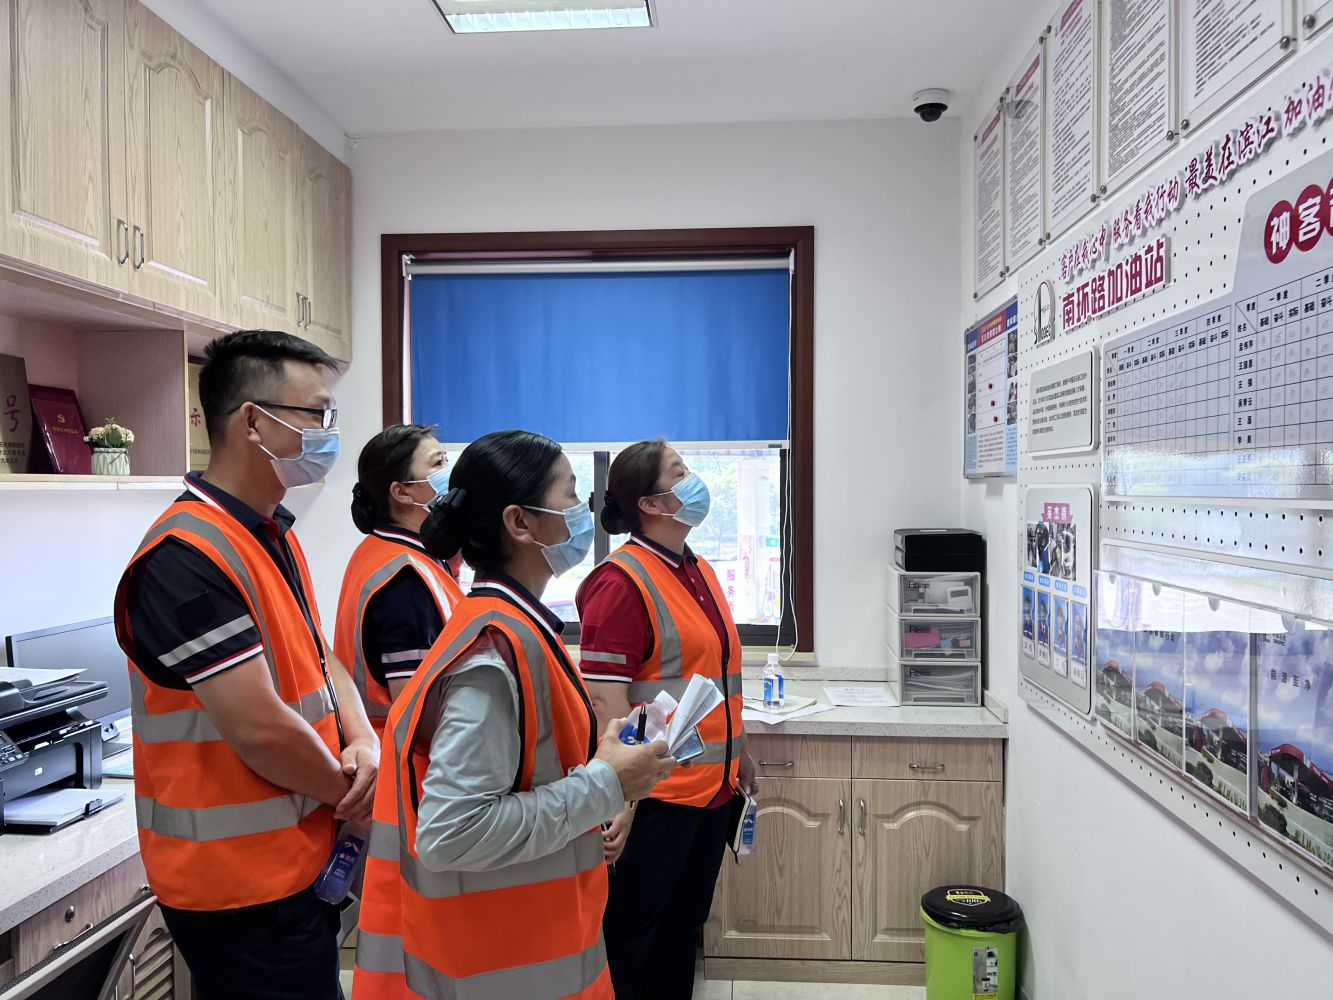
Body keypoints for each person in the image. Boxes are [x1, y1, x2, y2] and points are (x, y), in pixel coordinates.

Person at [354, 430, 676, 1000]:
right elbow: (451, 833)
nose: (581, 512)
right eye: (569, 495)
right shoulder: (492, 656)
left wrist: (603, 776)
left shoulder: (517, 627)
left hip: (530, 947)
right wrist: (606, 784)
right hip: (500, 963)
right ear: (520, 523)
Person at [112, 330, 378, 1000]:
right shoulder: (185, 557)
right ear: (253, 422)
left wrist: (364, 739)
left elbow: (318, 656)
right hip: (240, 887)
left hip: (297, 860)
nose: (327, 433)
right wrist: (351, 795)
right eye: (315, 414)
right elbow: (259, 729)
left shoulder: (266, 531)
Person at [575, 440, 755, 1000]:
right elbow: (605, 705)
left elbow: (717, 681)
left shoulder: (695, 569)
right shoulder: (620, 582)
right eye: (681, 473)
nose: (696, 481)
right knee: (633, 941)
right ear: (651, 504)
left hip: (712, 792)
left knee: (682, 932)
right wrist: (620, 798)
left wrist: (741, 756)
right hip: (655, 800)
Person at [334, 424, 465, 735]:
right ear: (402, 492)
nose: (451, 472)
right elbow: (419, 713)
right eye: (438, 463)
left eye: (446, 460)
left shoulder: (382, 548)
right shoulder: (404, 578)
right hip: (407, 757)